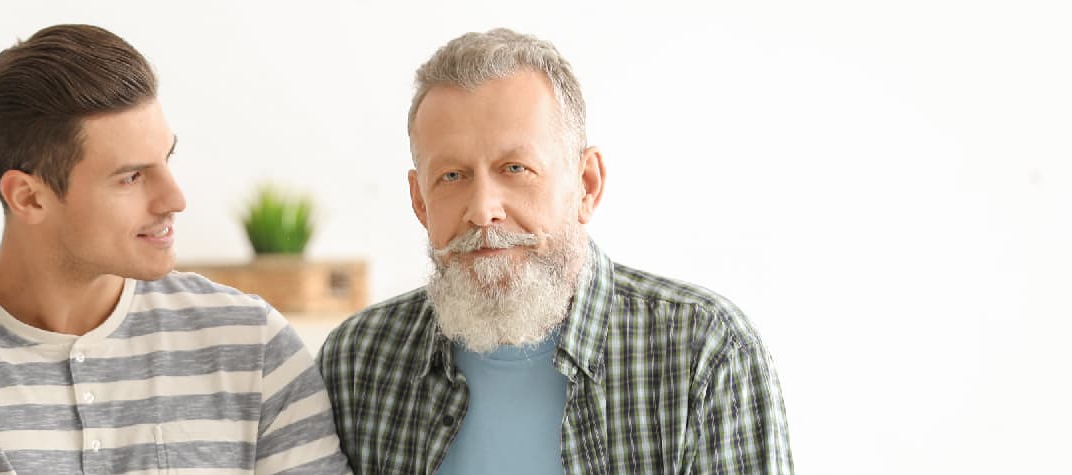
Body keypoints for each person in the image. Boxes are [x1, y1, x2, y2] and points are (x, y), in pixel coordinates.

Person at [0, 24, 349, 475]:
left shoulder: (252, 343)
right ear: (28, 197)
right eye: (131, 177)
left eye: (167, 159)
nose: (174, 199)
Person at [319, 28, 794, 474]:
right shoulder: (357, 362)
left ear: (586, 184)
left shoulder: (706, 354)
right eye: (452, 176)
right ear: (420, 201)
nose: (483, 210)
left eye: (515, 168)